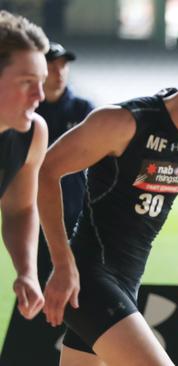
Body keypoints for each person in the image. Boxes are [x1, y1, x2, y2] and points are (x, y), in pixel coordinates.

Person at [38, 55, 178, 366]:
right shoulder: (122, 122)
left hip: (127, 281)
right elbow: (46, 170)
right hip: (87, 278)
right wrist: (61, 262)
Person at [0, 10, 49, 320]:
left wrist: (27, 271)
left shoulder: (32, 133)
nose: (40, 95)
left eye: (42, 82)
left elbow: (19, 208)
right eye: (27, 82)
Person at [35, 41, 95, 286]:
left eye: (63, 65)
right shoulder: (28, 110)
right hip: (36, 212)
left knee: (83, 283)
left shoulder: (84, 110)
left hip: (77, 208)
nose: (59, 71)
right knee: (40, 281)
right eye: (52, 66)